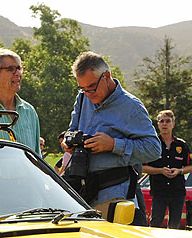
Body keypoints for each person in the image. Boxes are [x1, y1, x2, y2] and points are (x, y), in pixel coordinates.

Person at [64, 51, 161, 220]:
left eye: (92, 87)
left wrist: (113, 145)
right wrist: (69, 142)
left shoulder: (131, 107)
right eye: (83, 88)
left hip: (116, 196)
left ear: (106, 76)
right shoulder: (82, 98)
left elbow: (154, 149)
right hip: (84, 193)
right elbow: (71, 129)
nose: (88, 94)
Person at [142, 110, 192, 228]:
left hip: (177, 191)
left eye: (168, 121)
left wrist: (179, 171)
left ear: (173, 124)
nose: (165, 124)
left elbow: (190, 167)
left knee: (175, 226)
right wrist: (160, 171)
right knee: (155, 223)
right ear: (158, 124)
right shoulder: (153, 144)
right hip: (159, 191)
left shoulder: (182, 145)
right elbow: (142, 167)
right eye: (162, 121)